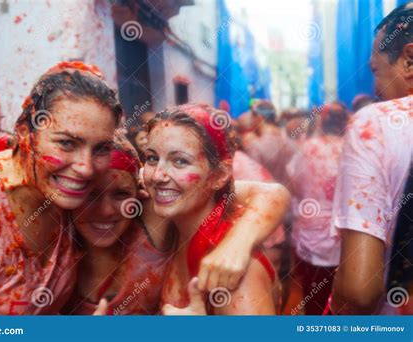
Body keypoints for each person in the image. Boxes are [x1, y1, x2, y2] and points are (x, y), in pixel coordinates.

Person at [0, 61, 122, 315]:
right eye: (67, 143)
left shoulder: (71, 195)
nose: (86, 168)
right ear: (25, 133)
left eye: (101, 148)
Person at [65, 134, 289, 315]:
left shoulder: (155, 217)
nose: (106, 210)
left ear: (140, 193)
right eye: (90, 195)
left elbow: (271, 192)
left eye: (121, 194)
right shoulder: (54, 237)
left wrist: (238, 243)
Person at [143, 104, 289, 315]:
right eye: (152, 158)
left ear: (219, 175)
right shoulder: (174, 220)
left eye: (180, 161)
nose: (157, 175)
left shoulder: (234, 275)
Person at [331, 3, 413, 314]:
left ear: (409, 60)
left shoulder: (376, 123)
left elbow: (359, 290)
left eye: (376, 71)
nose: (376, 88)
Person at [286, 103, 348, 314]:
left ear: (321, 122)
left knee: (314, 295)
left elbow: (293, 185)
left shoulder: (309, 147)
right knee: (342, 297)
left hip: (312, 231)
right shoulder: (352, 147)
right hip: (345, 234)